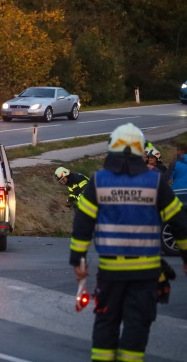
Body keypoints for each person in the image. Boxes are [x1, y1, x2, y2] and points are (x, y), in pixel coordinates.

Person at [70, 123, 187, 362]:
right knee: (137, 323)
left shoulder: (98, 181)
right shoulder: (155, 183)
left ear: (112, 149)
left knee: (106, 321)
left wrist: (78, 262)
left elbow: (83, 226)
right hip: (145, 273)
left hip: (111, 271)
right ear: (139, 151)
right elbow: (179, 223)